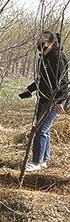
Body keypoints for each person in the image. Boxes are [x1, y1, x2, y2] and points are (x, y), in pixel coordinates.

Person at [20, 30, 69, 172]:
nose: (40, 42)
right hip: (44, 98)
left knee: (40, 129)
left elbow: (63, 81)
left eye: (43, 40)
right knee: (43, 129)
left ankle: (36, 162)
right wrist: (29, 89)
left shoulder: (57, 58)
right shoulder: (44, 58)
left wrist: (59, 100)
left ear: (51, 42)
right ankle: (44, 160)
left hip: (54, 99)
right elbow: (42, 79)